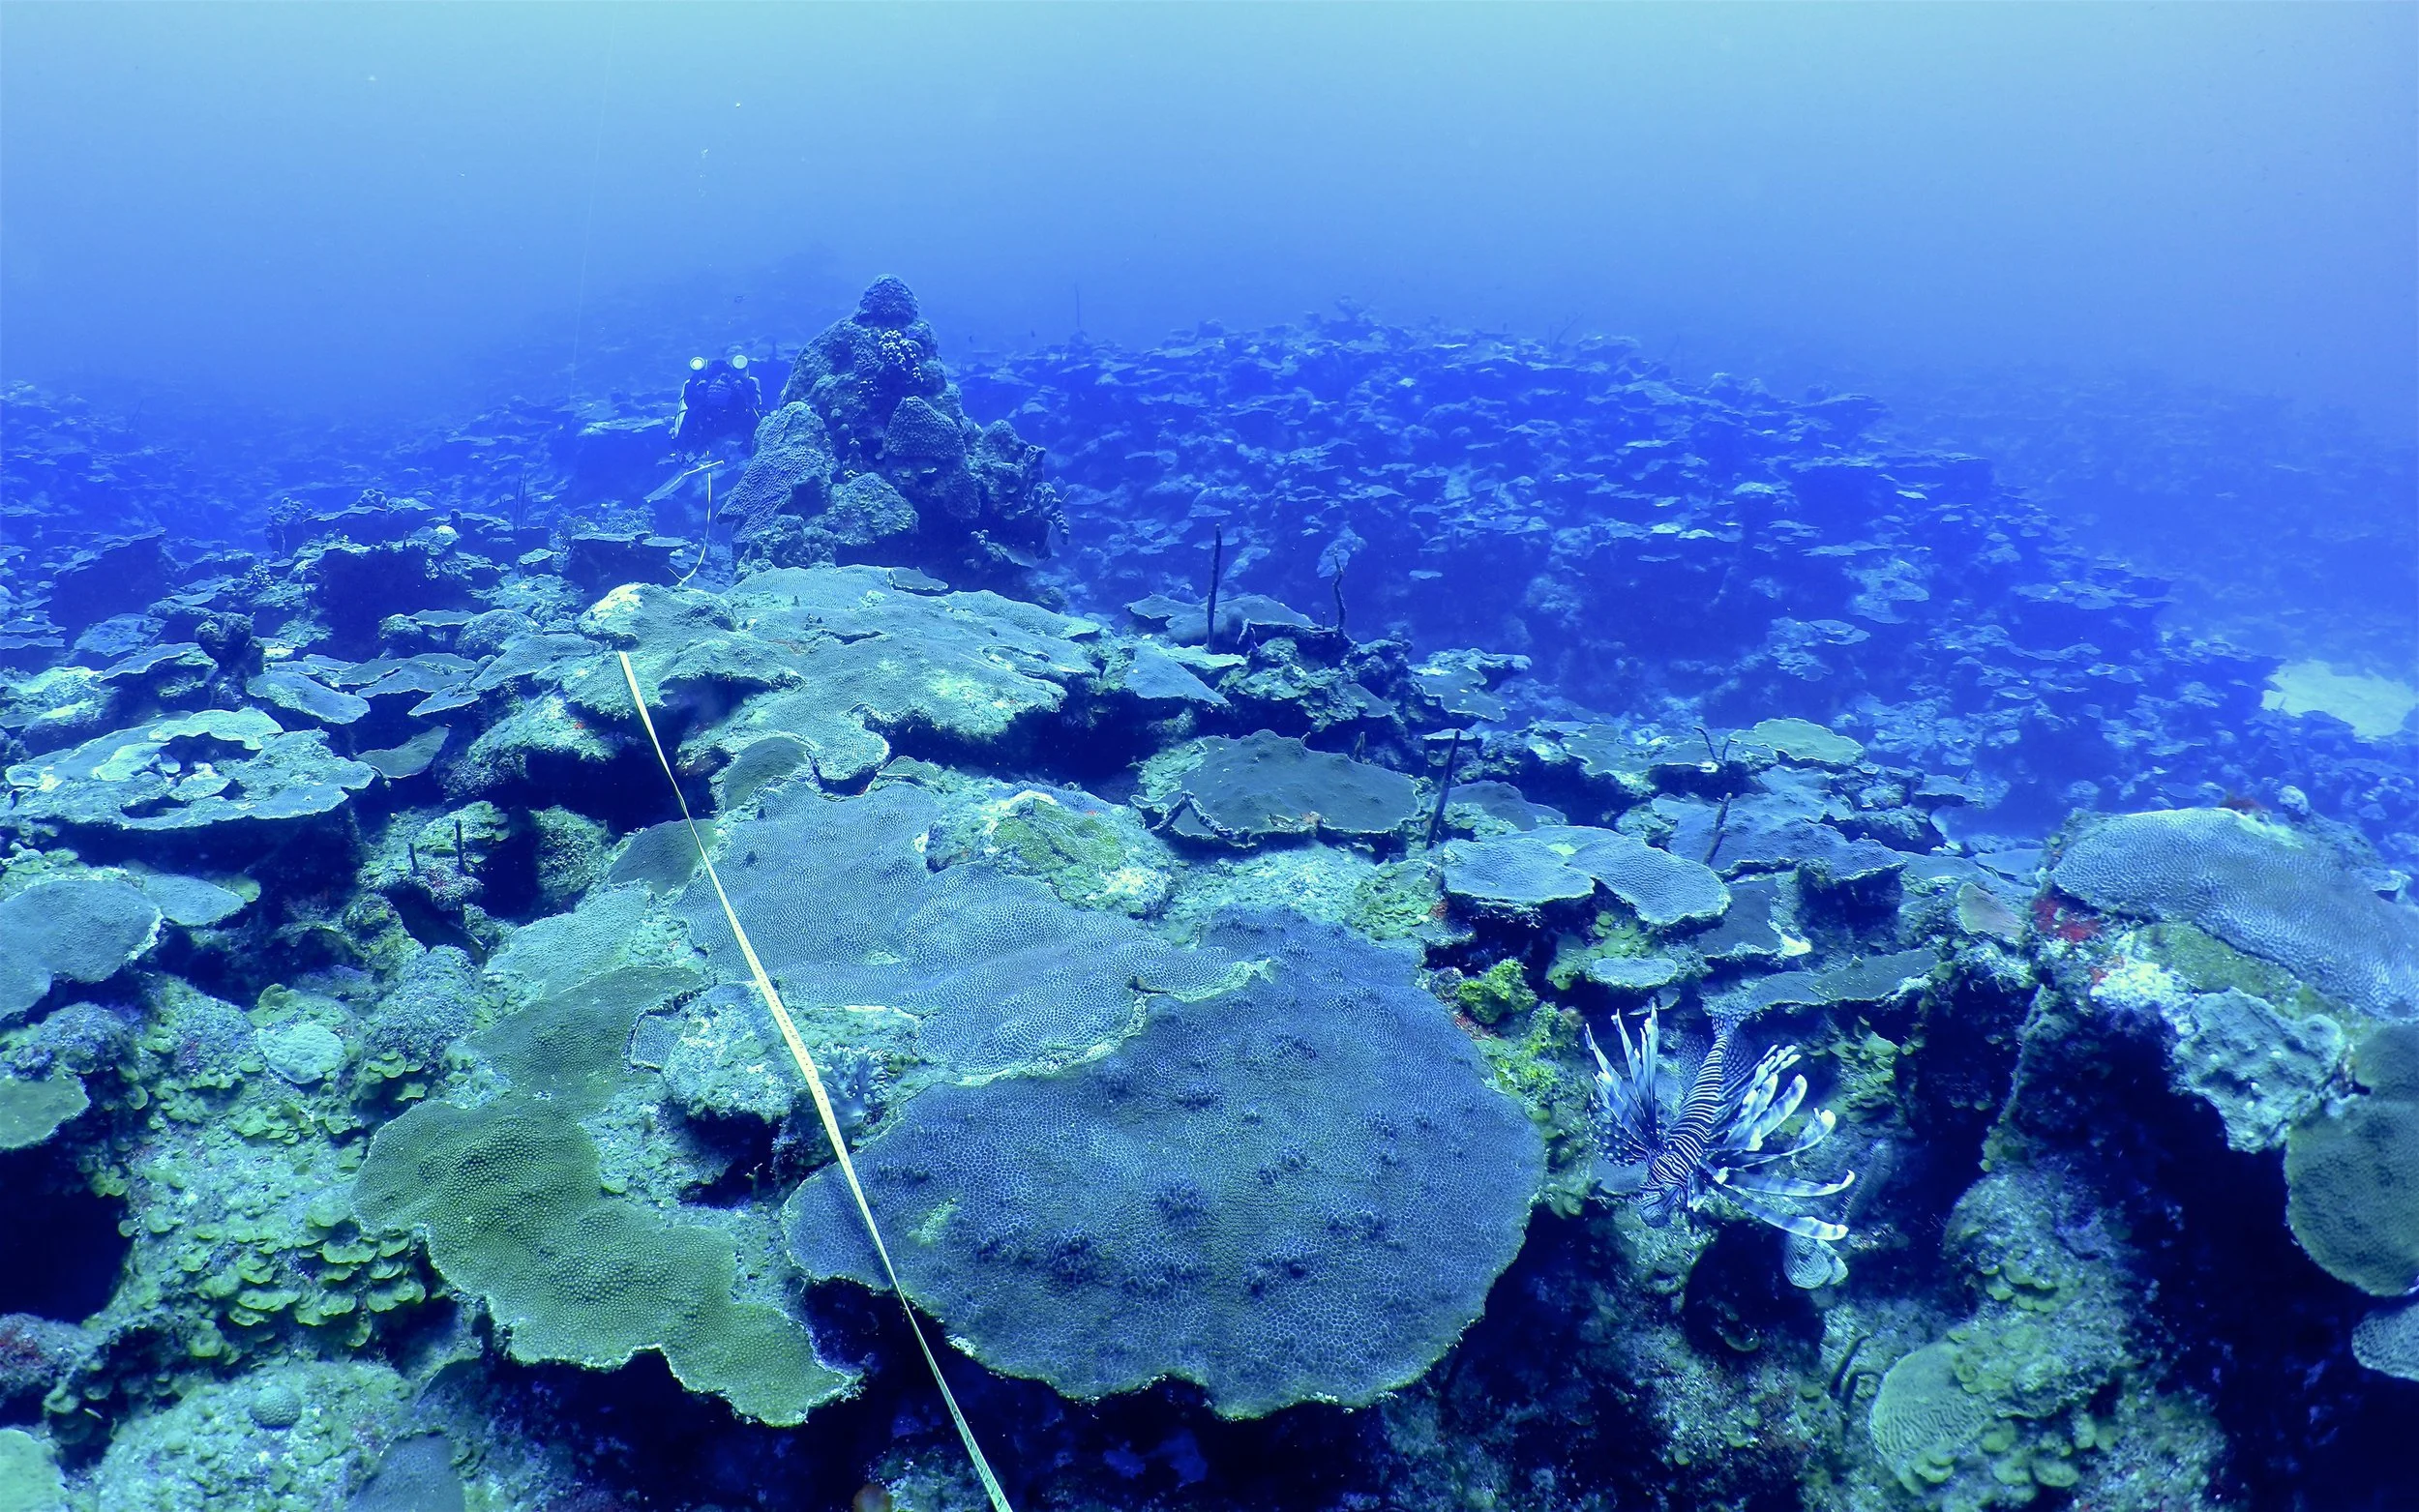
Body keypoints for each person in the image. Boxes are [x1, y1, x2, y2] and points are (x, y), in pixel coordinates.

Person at [672, 351, 762, 456]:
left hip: (729, 417)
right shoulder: (698, 407)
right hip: (712, 419)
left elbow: (753, 402)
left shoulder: (743, 395)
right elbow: (690, 403)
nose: (719, 383)